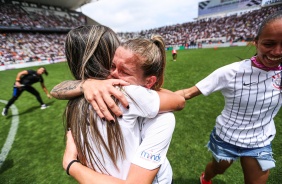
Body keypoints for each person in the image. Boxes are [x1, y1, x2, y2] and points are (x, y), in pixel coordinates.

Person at [53, 25, 185, 183]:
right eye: (113, 65)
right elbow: (179, 101)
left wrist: (71, 164)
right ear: (107, 56)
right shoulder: (125, 94)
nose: (114, 73)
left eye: (125, 71)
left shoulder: (73, 102)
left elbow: (56, 90)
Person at [175, 10, 282, 184]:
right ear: (256, 43)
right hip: (226, 137)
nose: (277, 51)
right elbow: (187, 93)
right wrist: (147, 97)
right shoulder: (231, 72)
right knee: (218, 169)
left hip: (260, 141)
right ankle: (206, 178)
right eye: (269, 44)